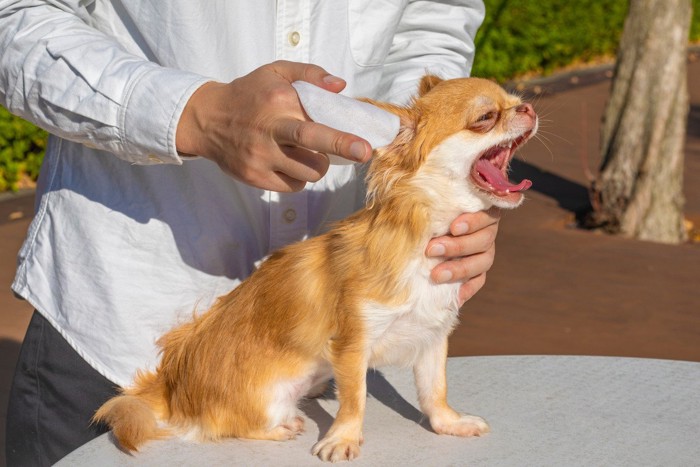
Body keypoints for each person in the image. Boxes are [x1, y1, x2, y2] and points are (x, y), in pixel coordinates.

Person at [0, 1, 497, 465]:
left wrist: (442, 170)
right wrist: (191, 114)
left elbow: (434, 22)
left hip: (336, 352)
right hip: (120, 316)